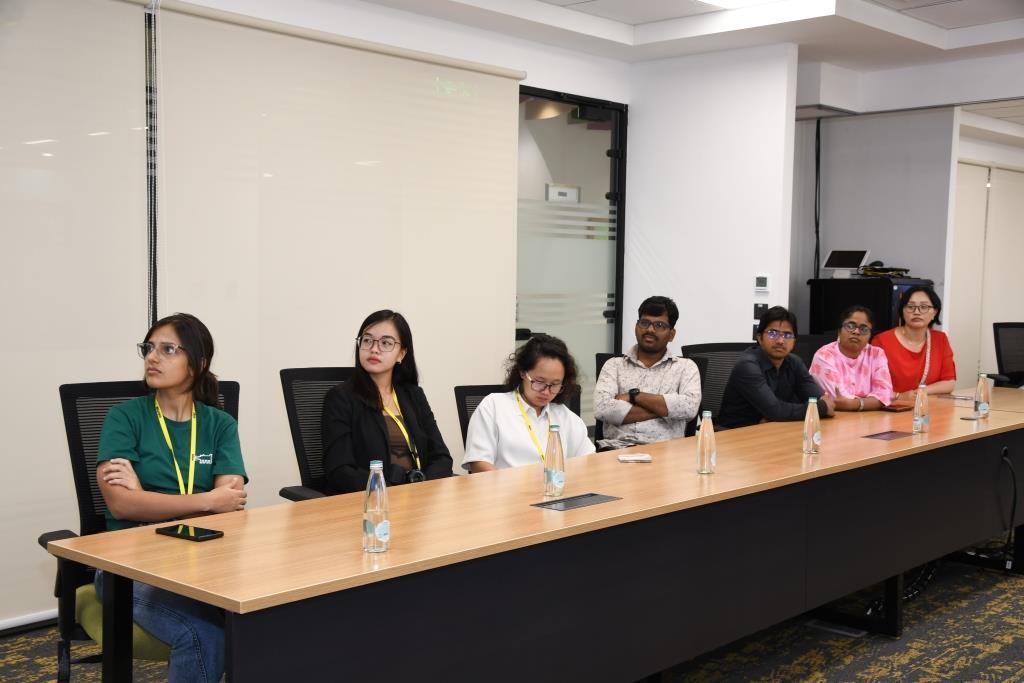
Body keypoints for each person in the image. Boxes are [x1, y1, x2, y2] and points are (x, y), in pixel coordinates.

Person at [95, 313, 248, 683]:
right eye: (149, 348)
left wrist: (146, 499)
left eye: (167, 349)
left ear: (198, 362)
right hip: (128, 568)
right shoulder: (124, 418)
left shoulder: (219, 424)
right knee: (203, 635)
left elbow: (230, 505)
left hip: (201, 563)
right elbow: (121, 504)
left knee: (268, 614)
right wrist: (206, 500)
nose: (152, 357)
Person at [322, 310, 452, 494]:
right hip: (373, 500)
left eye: (385, 343)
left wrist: (422, 487)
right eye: (367, 340)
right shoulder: (340, 398)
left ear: (401, 354)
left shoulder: (413, 395)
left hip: (420, 497)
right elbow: (340, 470)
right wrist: (391, 489)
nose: (374, 349)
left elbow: (442, 458)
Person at [463, 334, 595, 471]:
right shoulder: (493, 407)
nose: (546, 392)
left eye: (555, 384)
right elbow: (479, 462)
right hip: (507, 484)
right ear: (522, 372)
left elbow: (589, 461)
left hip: (556, 484)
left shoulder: (565, 417)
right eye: (539, 382)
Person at [593, 295, 701, 450]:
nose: (650, 329)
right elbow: (602, 409)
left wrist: (635, 396)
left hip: (667, 452)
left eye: (659, 325)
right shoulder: (614, 365)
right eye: (644, 323)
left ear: (671, 334)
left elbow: (689, 408)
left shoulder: (686, 368)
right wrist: (664, 409)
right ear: (636, 327)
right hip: (616, 449)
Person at [717, 306, 835, 429]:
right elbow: (776, 410)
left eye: (787, 335)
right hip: (737, 433)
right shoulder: (747, 365)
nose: (780, 341)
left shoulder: (795, 362)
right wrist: (821, 408)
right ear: (760, 338)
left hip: (773, 429)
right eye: (772, 333)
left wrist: (777, 416)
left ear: (794, 341)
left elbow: (820, 399)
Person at [872, 285, 956, 401]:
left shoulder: (940, 339)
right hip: (891, 407)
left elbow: (949, 382)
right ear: (902, 311)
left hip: (928, 406)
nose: (917, 312)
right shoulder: (882, 341)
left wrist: (919, 392)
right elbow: (871, 385)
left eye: (924, 307)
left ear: (934, 313)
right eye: (910, 307)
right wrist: (899, 396)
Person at [809, 305, 893, 411]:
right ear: (839, 331)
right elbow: (839, 399)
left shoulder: (876, 354)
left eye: (864, 329)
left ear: (870, 335)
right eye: (850, 326)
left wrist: (853, 404)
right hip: (834, 418)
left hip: (870, 417)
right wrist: (870, 402)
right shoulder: (824, 355)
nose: (856, 332)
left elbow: (885, 396)